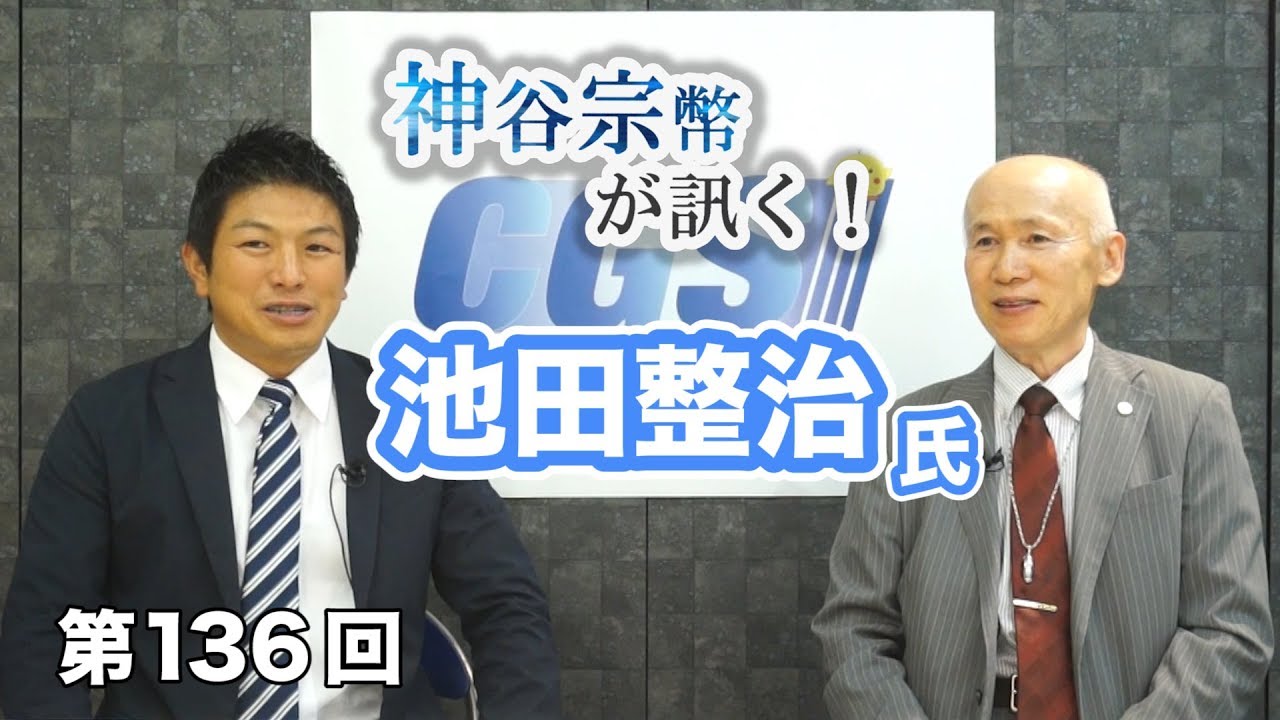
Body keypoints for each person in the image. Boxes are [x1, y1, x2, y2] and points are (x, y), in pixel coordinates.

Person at [0, 122, 562, 720]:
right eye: (256, 244)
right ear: (198, 266)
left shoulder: (411, 409)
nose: (290, 274)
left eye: (318, 248)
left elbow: (507, 605)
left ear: (345, 275)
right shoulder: (109, 420)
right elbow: (45, 627)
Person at [812, 154, 1272, 719]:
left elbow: (1229, 628)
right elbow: (854, 629)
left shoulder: (1190, 412)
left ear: (1109, 258)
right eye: (985, 241)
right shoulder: (909, 426)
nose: (1007, 268)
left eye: (1037, 237)